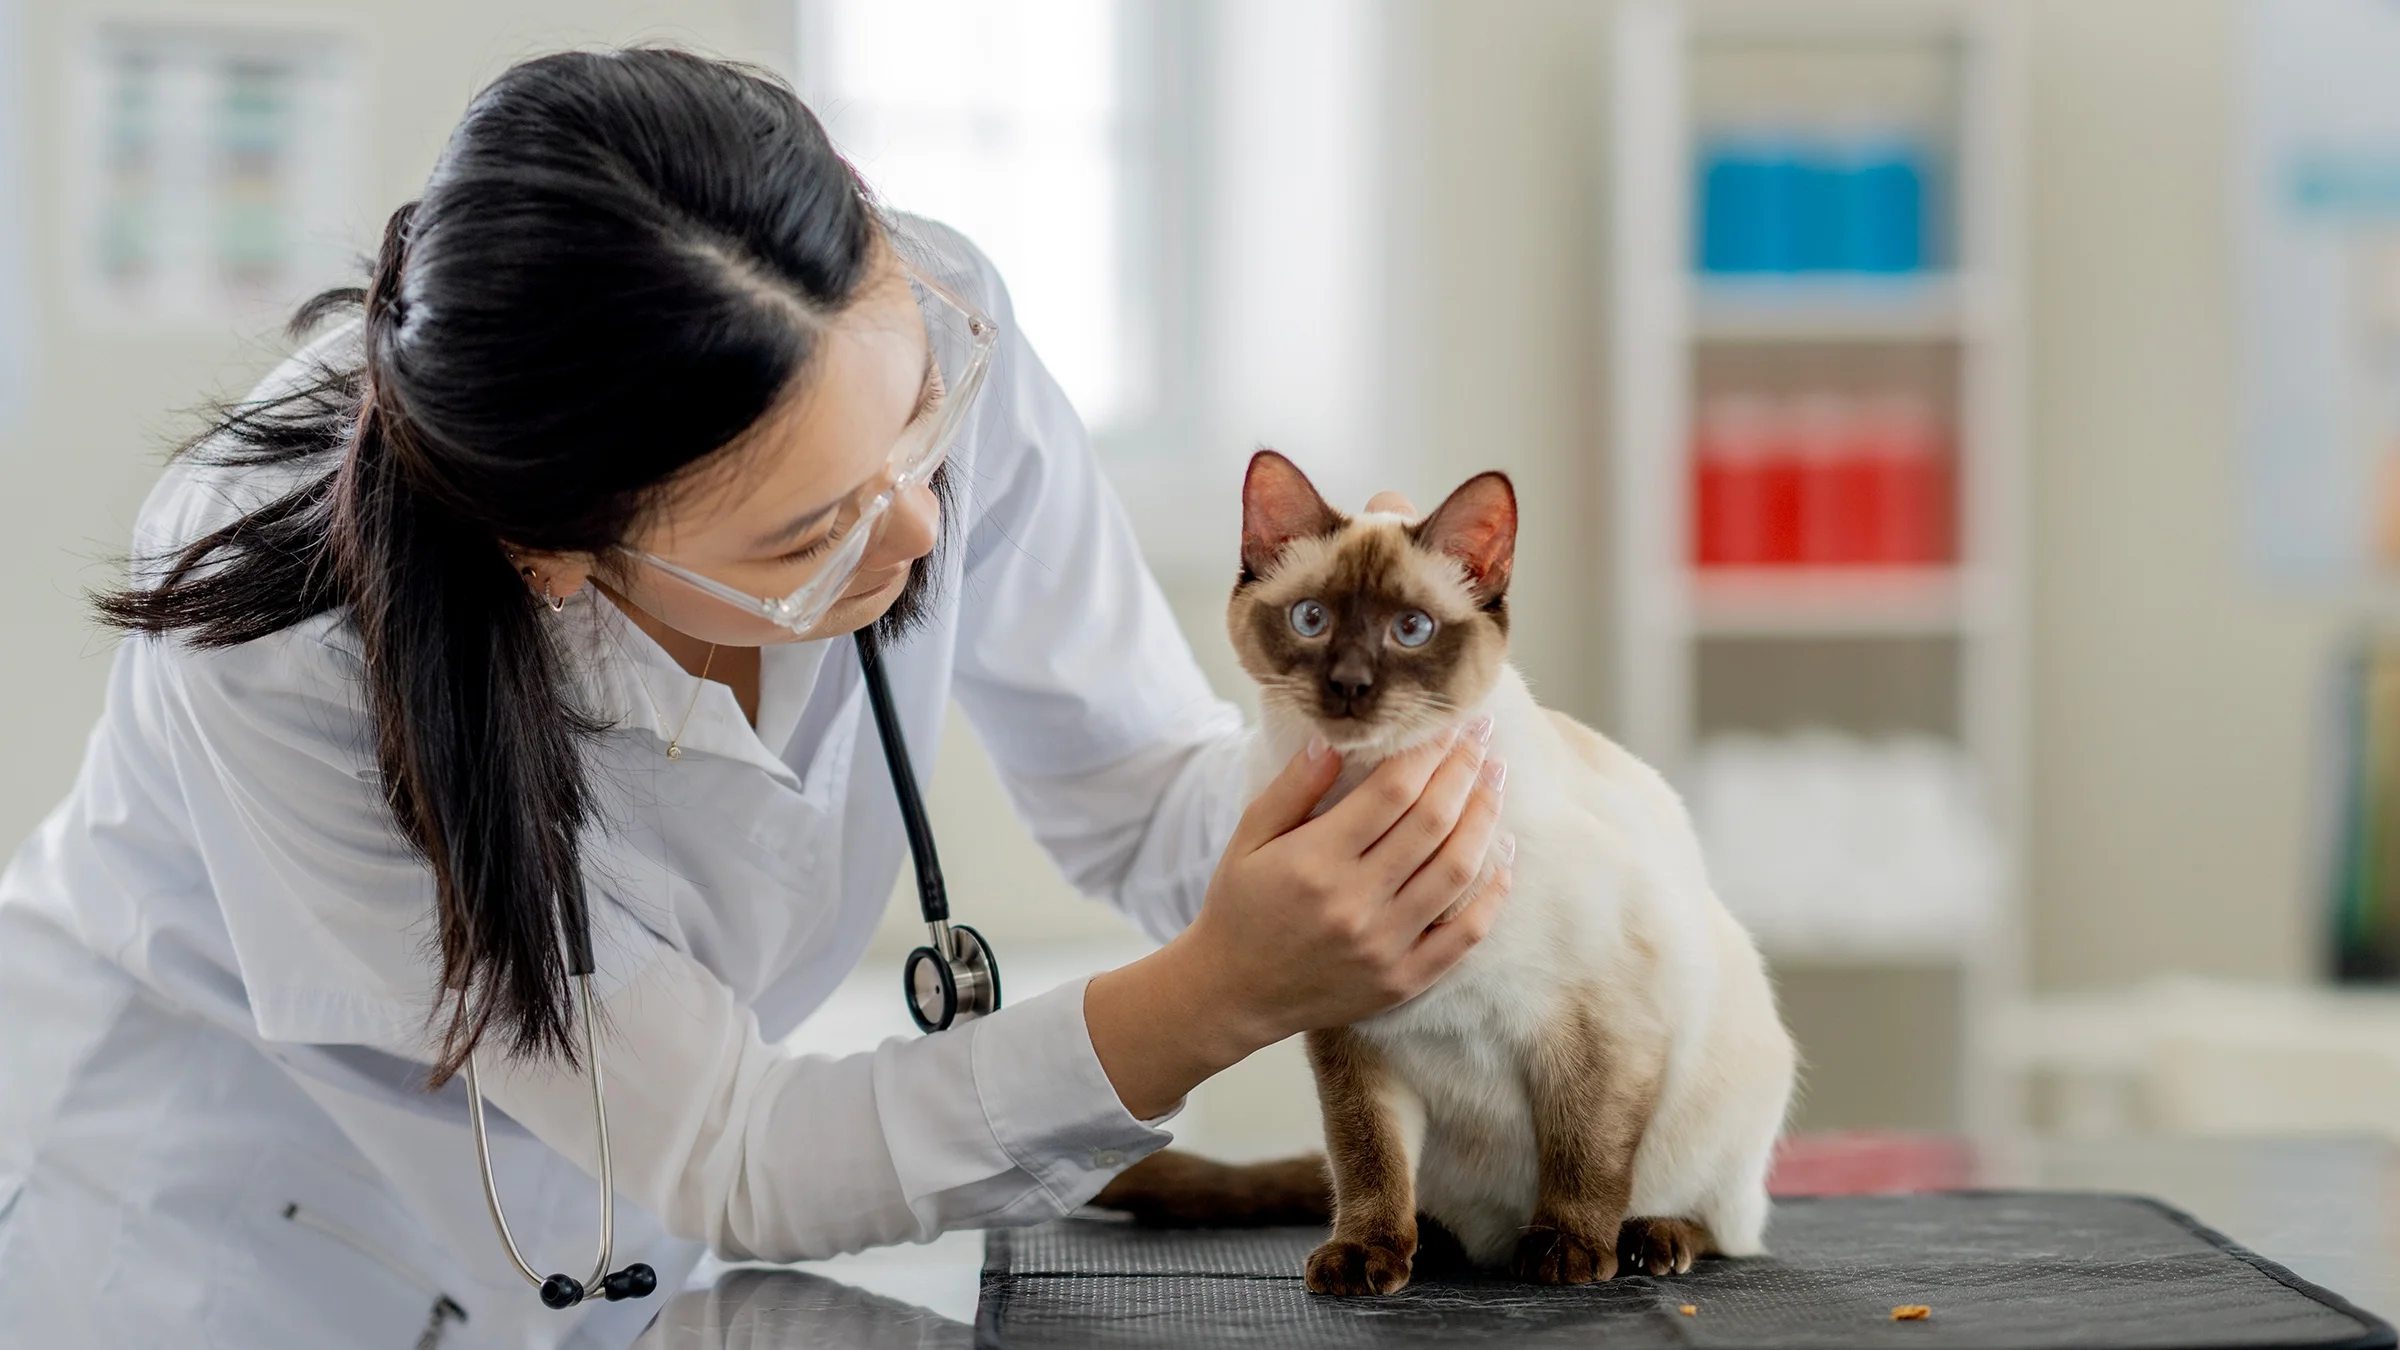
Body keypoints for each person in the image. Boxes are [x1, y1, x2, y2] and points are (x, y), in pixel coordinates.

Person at [0, 49, 1509, 1349]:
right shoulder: (290, 657)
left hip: (610, 1232)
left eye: (921, 437)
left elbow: (1139, 789)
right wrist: (1218, 994)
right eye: (812, 536)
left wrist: (1377, 766)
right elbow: (732, 1143)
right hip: (204, 1235)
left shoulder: (900, 324)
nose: (922, 527)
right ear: (555, 552)